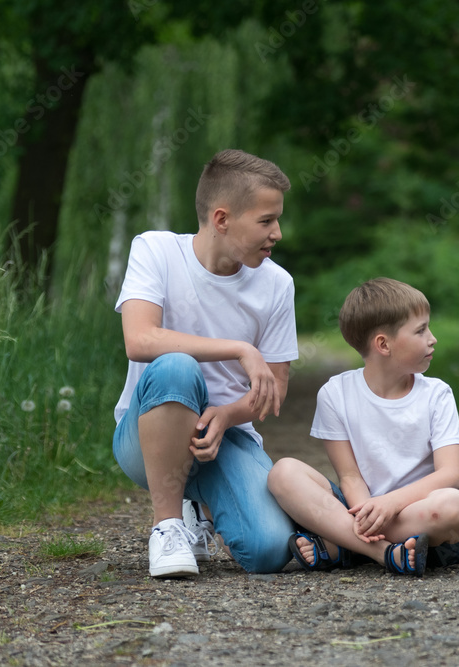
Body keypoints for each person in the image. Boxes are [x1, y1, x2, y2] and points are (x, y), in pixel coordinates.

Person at [112, 149, 298, 578]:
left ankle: (201, 504)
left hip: (225, 440)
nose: (278, 233)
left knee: (269, 550)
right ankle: (168, 525)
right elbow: (140, 340)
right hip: (147, 436)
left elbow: (276, 390)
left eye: (277, 220)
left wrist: (227, 415)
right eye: (266, 221)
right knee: (175, 365)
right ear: (221, 219)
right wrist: (239, 348)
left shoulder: (276, 284)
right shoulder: (155, 250)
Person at [267, 278, 459, 577]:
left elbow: (451, 475)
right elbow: (349, 475)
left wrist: (389, 504)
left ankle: (342, 544)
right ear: (383, 344)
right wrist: (368, 512)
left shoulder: (436, 394)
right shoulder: (335, 393)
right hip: (359, 505)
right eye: (420, 330)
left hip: (419, 514)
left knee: (455, 507)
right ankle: (383, 552)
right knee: (283, 472)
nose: (433, 339)